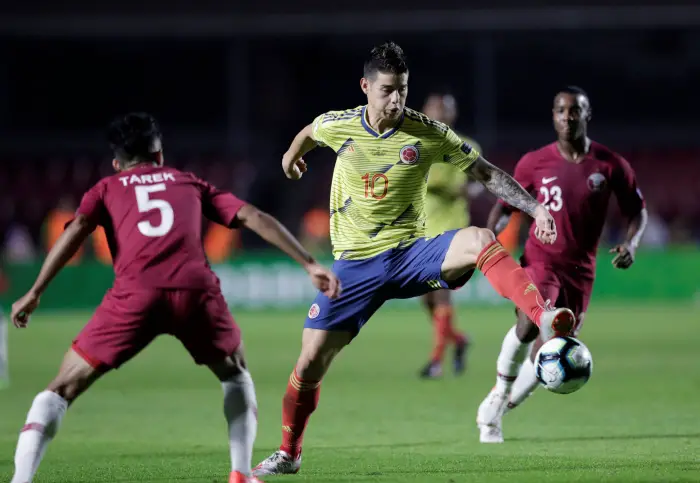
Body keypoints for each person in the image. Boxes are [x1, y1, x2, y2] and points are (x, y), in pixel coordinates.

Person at [253, 42, 575, 476]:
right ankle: (289, 453)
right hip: (352, 268)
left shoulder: (429, 132)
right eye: (387, 90)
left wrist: (536, 209)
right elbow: (310, 133)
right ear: (366, 87)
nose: (396, 100)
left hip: (410, 254)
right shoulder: (340, 125)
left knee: (480, 238)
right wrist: (292, 158)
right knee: (309, 363)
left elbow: (487, 173)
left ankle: (542, 314)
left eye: (403, 89)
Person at [8, 112, 341, 483]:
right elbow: (251, 215)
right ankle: (241, 474)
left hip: (135, 294)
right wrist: (309, 263)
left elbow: (74, 234)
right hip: (194, 290)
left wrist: (35, 292)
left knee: (60, 388)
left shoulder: (106, 188)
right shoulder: (189, 182)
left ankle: (21, 480)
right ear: (160, 155)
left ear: (117, 163)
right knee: (235, 373)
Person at [476, 86, 648, 443]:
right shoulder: (534, 162)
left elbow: (637, 210)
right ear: (552, 116)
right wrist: (490, 233)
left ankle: (498, 407)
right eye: (560, 110)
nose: (567, 116)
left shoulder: (610, 164)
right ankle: (498, 392)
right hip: (541, 260)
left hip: (581, 271)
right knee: (528, 324)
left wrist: (632, 241)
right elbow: (507, 204)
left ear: (587, 115)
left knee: (550, 353)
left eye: (574, 110)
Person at [419, 91, 482, 379]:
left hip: (453, 231)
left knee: (440, 294)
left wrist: (468, 191)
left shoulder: (466, 146)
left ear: (453, 115)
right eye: (435, 109)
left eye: (445, 110)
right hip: (422, 232)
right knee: (427, 299)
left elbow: (481, 181)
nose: (440, 115)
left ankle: (435, 362)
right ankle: (458, 340)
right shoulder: (415, 144)